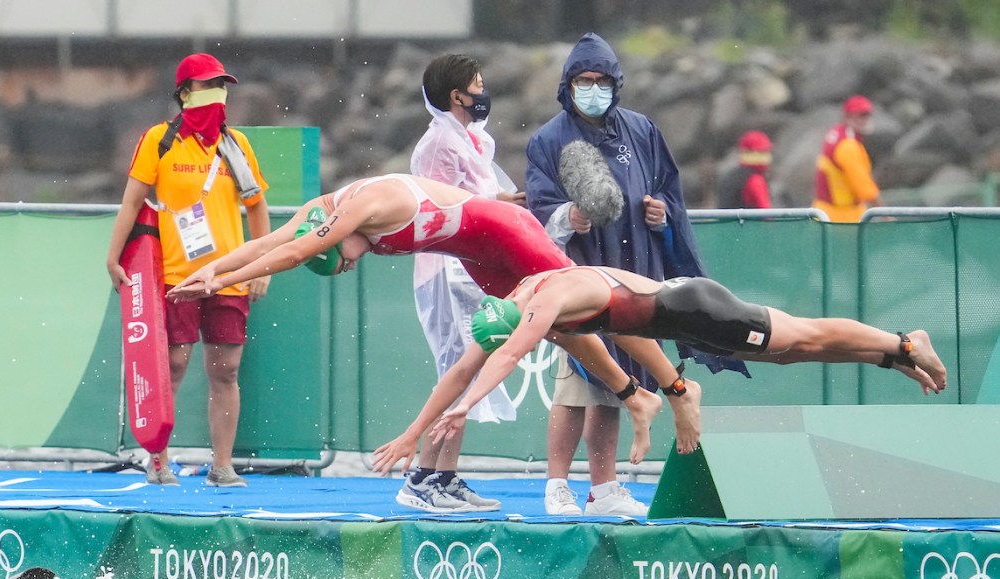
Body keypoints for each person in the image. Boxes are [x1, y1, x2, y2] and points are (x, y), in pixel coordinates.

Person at [167, 174, 705, 503]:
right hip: (475, 254)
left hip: (503, 231)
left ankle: (677, 392)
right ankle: (635, 396)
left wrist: (223, 282)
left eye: (344, 262)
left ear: (336, 238)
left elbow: (290, 255)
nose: (354, 266)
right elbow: (264, 242)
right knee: (564, 331)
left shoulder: (360, 208)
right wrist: (211, 271)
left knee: (600, 305)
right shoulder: (318, 217)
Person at [370, 267, 947, 486]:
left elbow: (505, 358)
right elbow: (467, 365)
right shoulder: (519, 301)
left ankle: (903, 342)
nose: (542, 338)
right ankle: (890, 356)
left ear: (521, 317)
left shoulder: (543, 301)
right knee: (791, 353)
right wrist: (413, 431)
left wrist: (470, 408)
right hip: (680, 318)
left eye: (534, 333)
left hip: (700, 309)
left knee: (801, 338)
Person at [525, 32, 745, 517]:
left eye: (602, 80)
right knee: (575, 384)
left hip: (637, 275)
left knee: (614, 385)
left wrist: (660, 215)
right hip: (582, 279)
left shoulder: (642, 130)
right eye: (584, 80)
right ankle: (557, 485)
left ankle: (603, 489)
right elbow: (538, 206)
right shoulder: (549, 140)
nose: (593, 88)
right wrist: (568, 218)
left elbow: (668, 188)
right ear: (569, 84)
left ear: (615, 83)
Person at [106, 53, 271, 487]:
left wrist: (261, 267)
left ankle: (222, 465)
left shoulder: (235, 145)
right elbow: (131, 202)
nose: (219, 95)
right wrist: (113, 256)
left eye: (223, 87)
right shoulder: (159, 140)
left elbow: (257, 208)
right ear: (183, 94)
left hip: (228, 278)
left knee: (226, 371)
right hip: (177, 276)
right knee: (173, 367)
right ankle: (158, 460)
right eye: (208, 86)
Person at [398, 53, 527, 513]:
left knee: (466, 373)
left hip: (469, 266)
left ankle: (443, 476)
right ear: (457, 96)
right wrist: (495, 204)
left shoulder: (471, 141)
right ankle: (423, 478)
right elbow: (439, 209)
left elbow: (475, 199)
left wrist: (501, 202)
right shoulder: (438, 145)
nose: (482, 90)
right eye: (477, 83)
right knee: (456, 373)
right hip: (445, 270)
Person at [812, 95, 881, 222]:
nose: (865, 120)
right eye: (860, 115)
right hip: (841, 217)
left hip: (823, 212)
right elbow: (865, 190)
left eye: (867, 115)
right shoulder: (848, 146)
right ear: (847, 117)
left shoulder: (836, 133)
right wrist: (885, 214)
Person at [717, 130, 774, 209]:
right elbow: (766, 213)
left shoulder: (729, 176)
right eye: (763, 152)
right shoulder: (755, 180)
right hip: (747, 221)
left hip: (726, 220)